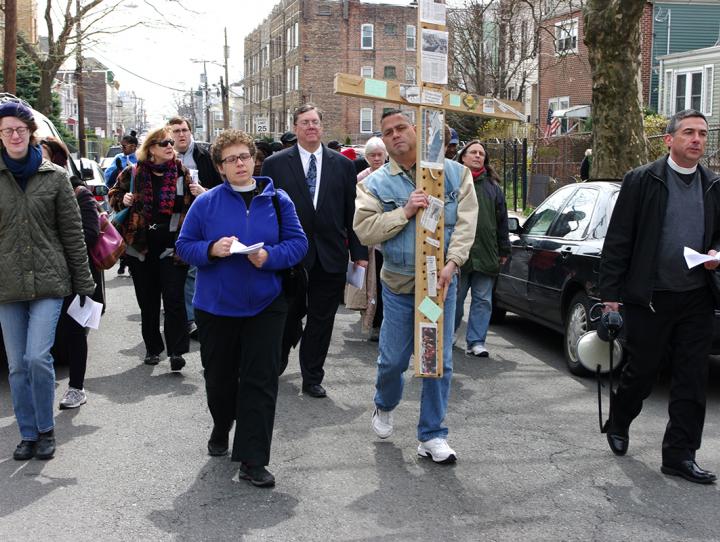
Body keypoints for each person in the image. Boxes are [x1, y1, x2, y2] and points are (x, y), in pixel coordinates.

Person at [176, 130, 307, 488]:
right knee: (219, 380)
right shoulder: (206, 204)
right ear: (220, 167)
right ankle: (222, 422)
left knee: (260, 382)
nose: (240, 163)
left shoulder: (279, 201)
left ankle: (253, 459)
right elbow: (184, 247)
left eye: (245, 156)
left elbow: (298, 244)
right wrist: (211, 250)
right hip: (216, 308)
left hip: (267, 305)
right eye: (231, 159)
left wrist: (269, 258)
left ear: (254, 159)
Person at [600, 109, 720, 485]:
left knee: (691, 378)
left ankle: (680, 455)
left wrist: (716, 253)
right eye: (688, 132)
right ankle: (620, 418)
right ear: (669, 140)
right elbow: (618, 239)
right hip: (650, 298)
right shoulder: (642, 180)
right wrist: (611, 297)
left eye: (702, 133)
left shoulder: (714, 185)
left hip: (697, 298)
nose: (697, 139)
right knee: (643, 371)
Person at [354, 109, 478, 463]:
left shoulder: (455, 175)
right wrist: (404, 211)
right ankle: (385, 404)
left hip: (440, 287)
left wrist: (453, 263)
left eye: (401, 128)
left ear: (416, 131)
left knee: (438, 361)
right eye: (388, 132)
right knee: (393, 359)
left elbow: (467, 224)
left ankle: (432, 435)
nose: (395, 136)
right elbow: (365, 230)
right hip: (399, 284)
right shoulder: (374, 184)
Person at [0, 99, 95, 460]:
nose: (13, 135)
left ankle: (46, 428)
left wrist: (84, 284)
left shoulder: (55, 177)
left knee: (38, 357)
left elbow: (72, 234)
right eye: (7, 130)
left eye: (20, 129)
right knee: (17, 365)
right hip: (7, 285)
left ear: (30, 133)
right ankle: (28, 433)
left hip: (49, 281)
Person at [261, 104, 368, 398]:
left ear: (322, 127)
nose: (311, 126)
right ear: (296, 127)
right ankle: (278, 357)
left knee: (322, 320)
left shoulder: (343, 165)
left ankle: (312, 375)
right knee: (288, 315)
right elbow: (266, 211)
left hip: (330, 255)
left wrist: (358, 253)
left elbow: (351, 212)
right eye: (305, 122)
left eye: (315, 122)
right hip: (290, 257)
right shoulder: (275, 164)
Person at [108, 126, 195, 371]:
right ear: (151, 150)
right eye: (163, 143)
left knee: (174, 300)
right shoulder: (134, 172)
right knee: (148, 303)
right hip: (140, 248)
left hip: (173, 247)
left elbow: (193, 206)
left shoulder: (181, 172)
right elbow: (112, 194)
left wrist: (200, 194)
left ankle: (177, 351)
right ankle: (153, 349)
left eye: (171, 143)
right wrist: (121, 199)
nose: (170, 146)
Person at [41, 138, 105, 410]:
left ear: (56, 159)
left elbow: (91, 233)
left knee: (75, 333)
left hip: (75, 274)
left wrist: (54, 243)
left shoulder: (78, 192)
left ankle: (76, 388)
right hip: (44, 276)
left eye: (41, 154)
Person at [453, 141, 510, 357]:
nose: (478, 156)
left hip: (487, 253)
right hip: (459, 252)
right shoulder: (453, 182)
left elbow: (502, 221)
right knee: (455, 299)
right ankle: (449, 334)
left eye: (481, 154)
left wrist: (504, 250)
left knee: (483, 300)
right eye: (473, 152)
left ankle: (476, 341)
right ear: (463, 157)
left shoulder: (493, 188)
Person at [168, 116, 222, 341]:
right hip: (172, 223)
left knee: (194, 269)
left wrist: (204, 191)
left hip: (203, 220)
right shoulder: (164, 157)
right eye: (176, 131)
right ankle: (182, 315)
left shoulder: (205, 155)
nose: (181, 134)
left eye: (184, 130)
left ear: (191, 132)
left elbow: (223, 188)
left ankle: (193, 319)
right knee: (177, 271)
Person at [346, 136, 388, 341]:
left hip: (389, 236)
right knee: (372, 284)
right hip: (369, 238)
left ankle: (385, 322)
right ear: (367, 157)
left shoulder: (394, 174)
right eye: (372, 155)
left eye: (380, 154)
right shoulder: (361, 178)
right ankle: (374, 322)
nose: (377, 158)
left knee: (386, 282)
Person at [105, 132, 139, 276]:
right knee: (121, 233)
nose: (122, 149)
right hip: (122, 205)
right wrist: (119, 169)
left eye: (124, 146)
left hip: (138, 206)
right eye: (121, 146)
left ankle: (132, 264)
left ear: (133, 147)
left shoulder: (140, 160)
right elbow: (109, 179)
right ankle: (123, 263)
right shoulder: (118, 158)